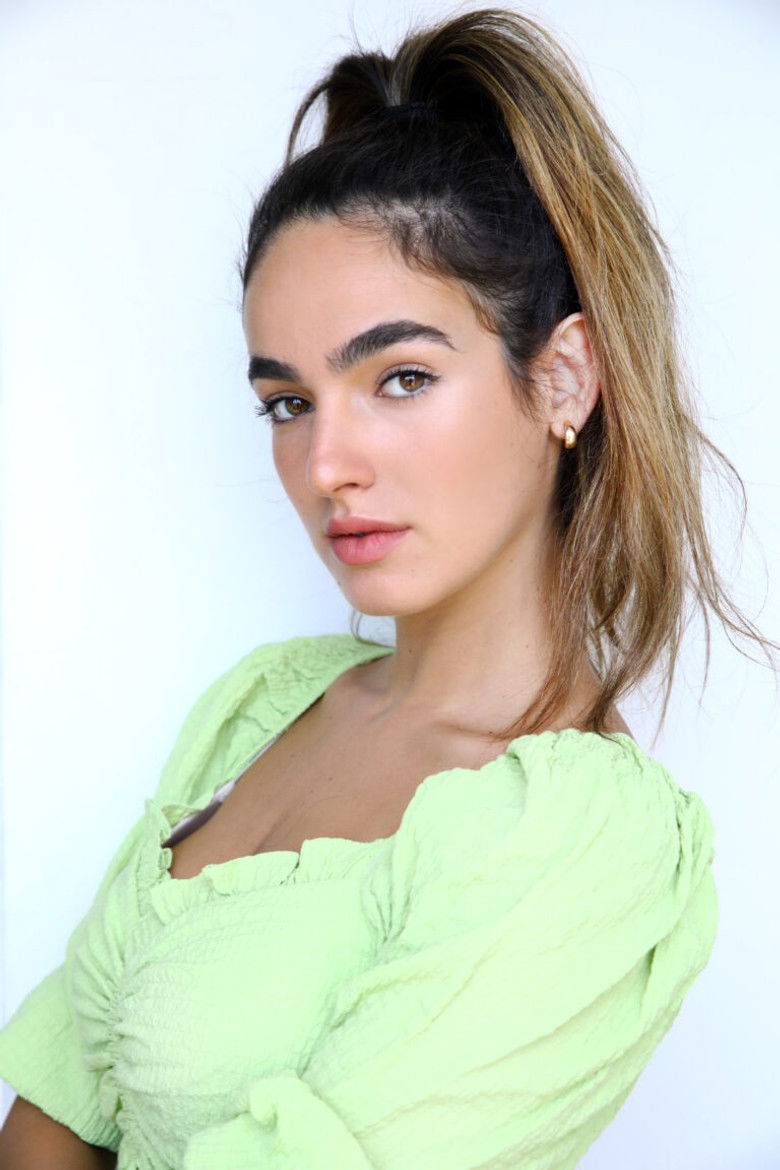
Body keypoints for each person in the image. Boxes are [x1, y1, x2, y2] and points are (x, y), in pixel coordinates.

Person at [0, 7, 775, 1168]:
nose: (326, 465)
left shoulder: (582, 835)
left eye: (401, 378)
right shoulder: (266, 705)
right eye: (288, 402)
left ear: (562, 377)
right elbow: (56, 1108)